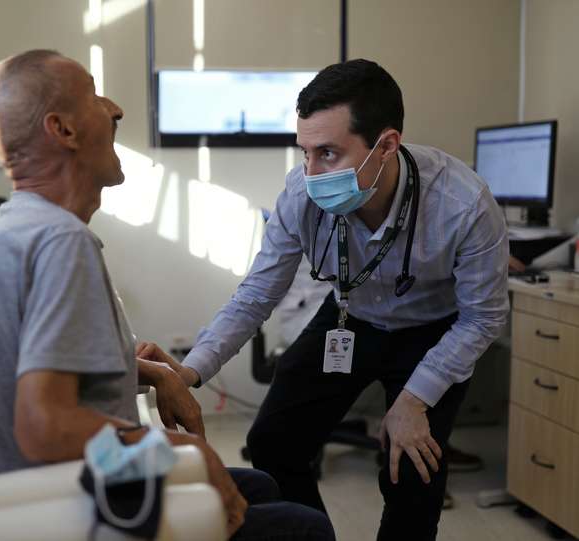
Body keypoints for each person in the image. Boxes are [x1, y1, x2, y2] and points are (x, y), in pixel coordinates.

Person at [0, 49, 334, 541]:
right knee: (305, 530)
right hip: (52, 507)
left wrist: (150, 372)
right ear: (62, 130)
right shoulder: (61, 242)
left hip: (16, 493)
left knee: (257, 484)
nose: (115, 110)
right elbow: (45, 427)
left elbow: (38, 379)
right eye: (93, 97)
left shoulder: (16, 227)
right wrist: (179, 454)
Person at [140, 59, 509, 540]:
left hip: (434, 333)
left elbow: (483, 318)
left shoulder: (464, 204)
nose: (312, 174)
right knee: (273, 441)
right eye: (305, 152)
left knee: (413, 469)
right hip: (350, 318)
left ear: (387, 145)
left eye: (329, 154)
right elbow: (257, 293)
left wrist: (414, 400)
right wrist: (188, 372)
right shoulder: (301, 193)